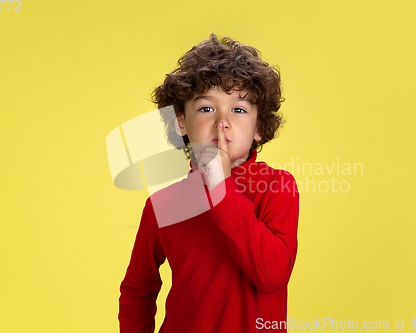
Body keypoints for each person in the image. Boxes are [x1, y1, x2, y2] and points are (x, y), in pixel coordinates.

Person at [118, 33, 300, 332]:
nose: (221, 121)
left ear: (259, 127)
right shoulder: (162, 205)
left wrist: (221, 189)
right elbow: (137, 290)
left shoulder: (277, 186)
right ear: (181, 122)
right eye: (206, 108)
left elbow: (271, 276)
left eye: (239, 110)